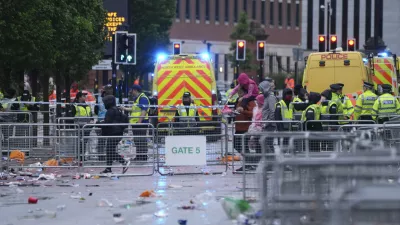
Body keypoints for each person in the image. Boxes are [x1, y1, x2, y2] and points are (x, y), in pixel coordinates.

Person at [100, 95, 130, 174]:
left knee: (110, 151)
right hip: (118, 132)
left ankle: (124, 162)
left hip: (113, 133)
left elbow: (107, 123)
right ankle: (108, 169)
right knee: (110, 150)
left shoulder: (110, 111)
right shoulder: (116, 109)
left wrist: (98, 124)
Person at [120, 85, 150, 162]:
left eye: (132, 90)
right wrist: (125, 108)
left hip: (140, 123)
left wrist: (139, 122)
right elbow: (135, 109)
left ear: (136, 90)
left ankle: (143, 157)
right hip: (137, 123)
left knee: (141, 140)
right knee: (138, 140)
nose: (131, 92)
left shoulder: (143, 98)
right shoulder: (138, 98)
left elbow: (144, 111)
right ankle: (139, 156)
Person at [233, 88, 257, 172]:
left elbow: (253, 113)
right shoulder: (239, 100)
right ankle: (250, 162)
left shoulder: (249, 101)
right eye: (238, 92)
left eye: (241, 92)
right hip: (239, 127)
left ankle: (249, 163)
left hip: (245, 128)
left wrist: (243, 111)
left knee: (244, 146)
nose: (239, 93)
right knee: (237, 145)